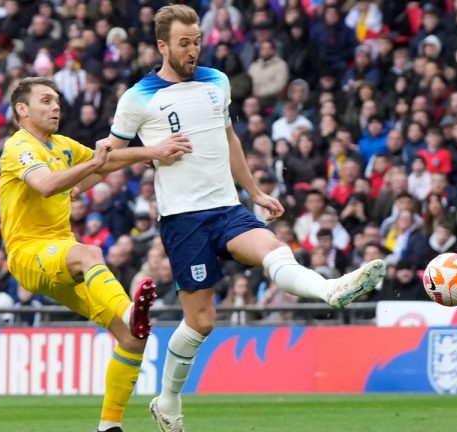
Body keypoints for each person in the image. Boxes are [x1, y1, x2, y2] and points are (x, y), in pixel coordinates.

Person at [70, 6, 385, 431]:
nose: (193, 49)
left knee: (274, 249)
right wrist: (73, 188)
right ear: (163, 46)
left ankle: (330, 289)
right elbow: (108, 157)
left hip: (226, 207)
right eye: (184, 43)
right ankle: (168, 401)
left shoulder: (217, 82)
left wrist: (254, 192)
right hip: (183, 220)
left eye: (197, 40)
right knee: (201, 322)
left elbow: (229, 137)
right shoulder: (138, 98)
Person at [0, 76, 191, 432]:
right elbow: (45, 185)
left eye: (57, 100)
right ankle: (129, 308)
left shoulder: (62, 146)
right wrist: (88, 169)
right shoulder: (19, 147)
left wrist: (153, 151)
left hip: (58, 254)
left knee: (133, 338)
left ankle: (109, 425)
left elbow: (107, 159)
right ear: (22, 110)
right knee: (90, 253)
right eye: (45, 101)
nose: (55, 106)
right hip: (28, 252)